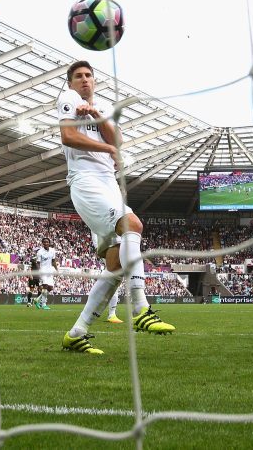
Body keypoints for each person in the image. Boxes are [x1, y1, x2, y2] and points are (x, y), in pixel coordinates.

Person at [58, 61, 174, 355]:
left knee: (116, 266)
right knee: (133, 224)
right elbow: (69, 137)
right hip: (85, 181)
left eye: (88, 76)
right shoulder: (68, 99)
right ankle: (141, 309)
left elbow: (118, 139)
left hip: (107, 183)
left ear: (95, 81)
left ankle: (76, 333)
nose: (84, 80)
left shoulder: (101, 108)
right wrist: (107, 149)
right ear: (70, 83)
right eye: (78, 77)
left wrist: (97, 115)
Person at [34, 237, 58, 310]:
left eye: (47, 242)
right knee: (45, 286)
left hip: (50, 270)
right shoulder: (40, 252)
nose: (46, 243)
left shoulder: (52, 251)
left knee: (50, 288)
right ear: (42, 243)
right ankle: (43, 304)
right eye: (44, 242)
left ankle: (37, 299)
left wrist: (56, 269)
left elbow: (53, 261)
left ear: (49, 243)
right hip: (43, 270)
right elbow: (37, 263)